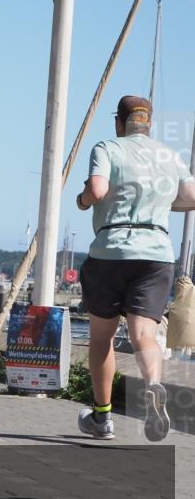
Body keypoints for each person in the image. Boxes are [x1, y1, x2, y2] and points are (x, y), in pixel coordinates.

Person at [75, 95, 195, 442]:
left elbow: (97, 190)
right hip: (156, 253)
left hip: (110, 252)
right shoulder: (168, 156)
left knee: (101, 337)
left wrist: (83, 200)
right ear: (149, 124)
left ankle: (101, 417)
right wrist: (159, 203)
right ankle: (153, 384)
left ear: (119, 122)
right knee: (144, 333)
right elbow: (191, 196)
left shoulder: (108, 147)